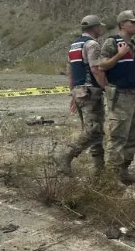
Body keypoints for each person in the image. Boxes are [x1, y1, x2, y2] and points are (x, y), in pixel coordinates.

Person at [54, 15, 107, 175]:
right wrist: (106, 86)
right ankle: (65, 155)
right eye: (99, 27)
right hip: (91, 91)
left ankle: (99, 170)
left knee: (94, 131)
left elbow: (69, 73)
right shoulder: (92, 45)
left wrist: (72, 94)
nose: (100, 29)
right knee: (93, 129)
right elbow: (95, 68)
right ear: (95, 27)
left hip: (78, 91)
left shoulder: (74, 46)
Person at [98, 10, 135, 184]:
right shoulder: (112, 42)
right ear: (123, 24)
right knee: (117, 135)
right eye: (133, 23)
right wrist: (119, 55)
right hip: (121, 95)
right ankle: (111, 178)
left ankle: (123, 171)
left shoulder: (133, 44)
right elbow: (101, 65)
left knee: (132, 136)